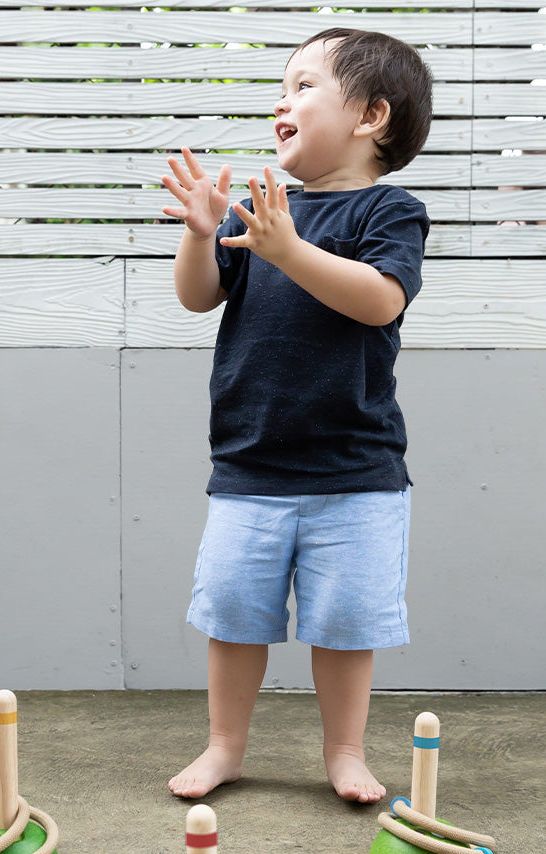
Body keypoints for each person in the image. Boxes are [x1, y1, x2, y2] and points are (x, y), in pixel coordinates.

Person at [160, 27, 433, 803]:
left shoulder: (390, 211)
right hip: (250, 465)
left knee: (346, 625)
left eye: (305, 85)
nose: (283, 101)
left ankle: (345, 752)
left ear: (370, 115)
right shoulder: (259, 214)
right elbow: (197, 296)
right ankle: (225, 746)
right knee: (234, 615)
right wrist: (203, 233)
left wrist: (286, 251)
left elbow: (380, 299)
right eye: (283, 88)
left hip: (356, 473)